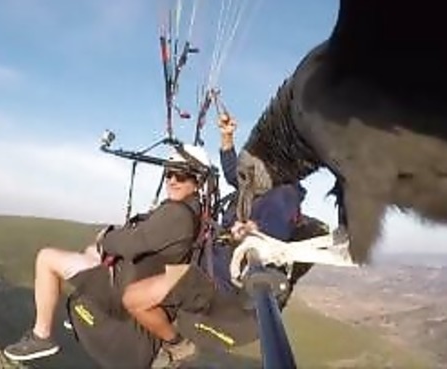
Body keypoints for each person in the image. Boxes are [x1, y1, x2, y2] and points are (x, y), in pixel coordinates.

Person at [122, 113, 328, 368]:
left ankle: (176, 345)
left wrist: (250, 230)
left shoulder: (282, 196)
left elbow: (270, 232)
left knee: (134, 298)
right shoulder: (259, 184)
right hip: (210, 261)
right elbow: (234, 173)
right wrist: (227, 137)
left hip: (217, 280)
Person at [3, 144, 212, 365]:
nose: (172, 180)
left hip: (123, 285)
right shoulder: (192, 211)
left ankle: (41, 336)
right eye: (169, 173)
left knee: (46, 258)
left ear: (197, 182)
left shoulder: (177, 215)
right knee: (90, 251)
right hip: (136, 274)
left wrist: (105, 238)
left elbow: (131, 243)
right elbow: (144, 239)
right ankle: (87, 305)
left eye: (181, 175)